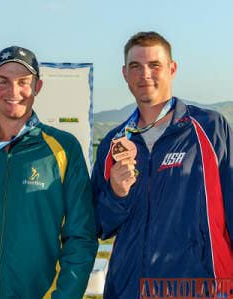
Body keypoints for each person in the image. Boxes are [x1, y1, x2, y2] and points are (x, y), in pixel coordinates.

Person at [0, 46, 98, 298]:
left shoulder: (63, 148)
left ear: (38, 87)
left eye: (23, 82)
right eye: (4, 81)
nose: (13, 91)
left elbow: (81, 237)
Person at [92, 31, 233, 298]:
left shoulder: (209, 128)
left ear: (172, 69)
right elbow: (100, 225)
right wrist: (117, 194)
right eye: (136, 66)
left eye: (154, 65)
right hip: (128, 290)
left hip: (200, 289)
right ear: (125, 74)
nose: (144, 74)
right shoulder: (114, 143)